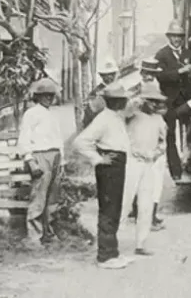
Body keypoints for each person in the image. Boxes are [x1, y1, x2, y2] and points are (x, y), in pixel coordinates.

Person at [70, 83, 133, 269]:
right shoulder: (103, 119)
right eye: (120, 100)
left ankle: (112, 252)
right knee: (108, 208)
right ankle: (105, 256)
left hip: (117, 163)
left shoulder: (115, 117)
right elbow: (80, 141)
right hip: (109, 166)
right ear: (113, 102)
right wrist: (98, 159)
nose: (124, 102)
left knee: (114, 208)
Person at [121, 82, 168, 256]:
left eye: (157, 101)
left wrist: (155, 153)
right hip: (131, 161)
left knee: (146, 204)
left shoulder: (158, 120)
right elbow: (123, 114)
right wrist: (134, 102)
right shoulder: (132, 115)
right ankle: (114, 241)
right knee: (125, 201)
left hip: (148, 163)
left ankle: (141, 243)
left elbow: (163, 143)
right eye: (151, 101)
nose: (154, 104)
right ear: (144, 100)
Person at [18, 77, 65, 245]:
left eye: (51, 95)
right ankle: (34, 237)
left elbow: (58, 140)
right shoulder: (31, 114)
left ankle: (49, 233)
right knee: (39, 196)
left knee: (52, 199)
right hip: (40, 156)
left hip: (54, 157)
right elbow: (24, 139)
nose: (48, 98)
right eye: (44, 95)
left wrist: (61, 162)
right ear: (37, 96)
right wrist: (30, 160)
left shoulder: (52, 115)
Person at [156, 20, 191, 180]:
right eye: (174, 36)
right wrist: (180, 71)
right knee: (171, 135)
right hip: (170, 101)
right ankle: (176, 171)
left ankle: (189, 164)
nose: (177, 39)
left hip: (187, 100)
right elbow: (160, 76)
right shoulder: (161, 55)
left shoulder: (189, 54)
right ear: (169, 37)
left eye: (180, 36)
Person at [82, 62, 122, 128]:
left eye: (112, 74)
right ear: (102, 76)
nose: (110, 77)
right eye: (107, 74)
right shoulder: (96, 92)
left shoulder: (119, 89)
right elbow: (88, 115)